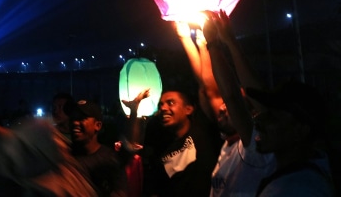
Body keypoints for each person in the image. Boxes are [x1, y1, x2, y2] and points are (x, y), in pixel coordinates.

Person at [178, 12, 276, 196]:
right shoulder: (228, 146)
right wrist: (195, 40)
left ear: (252, 113)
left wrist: (218, 42)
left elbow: (229, 95)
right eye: (224, 105)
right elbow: (209, 89)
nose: (223, 107)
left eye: (232, 106)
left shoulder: (254, 146)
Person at [246, 80, 335, 196]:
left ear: (300, 131)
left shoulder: (300, 189)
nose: (258, 120)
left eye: (272, 116)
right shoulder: (299, 179)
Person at [129, 85, 220, 197]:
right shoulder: (161, 149)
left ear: (189, 109)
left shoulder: (203, 131)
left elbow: (209, 91)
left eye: (170, 103)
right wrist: (134, 109)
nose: (163, 108)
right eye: (161, 105)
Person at [70, 99, 129, 197]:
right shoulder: (64, 155)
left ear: (97, 125)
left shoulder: (110, 160)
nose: (75, 122)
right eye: (73, 118)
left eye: (81, 118)